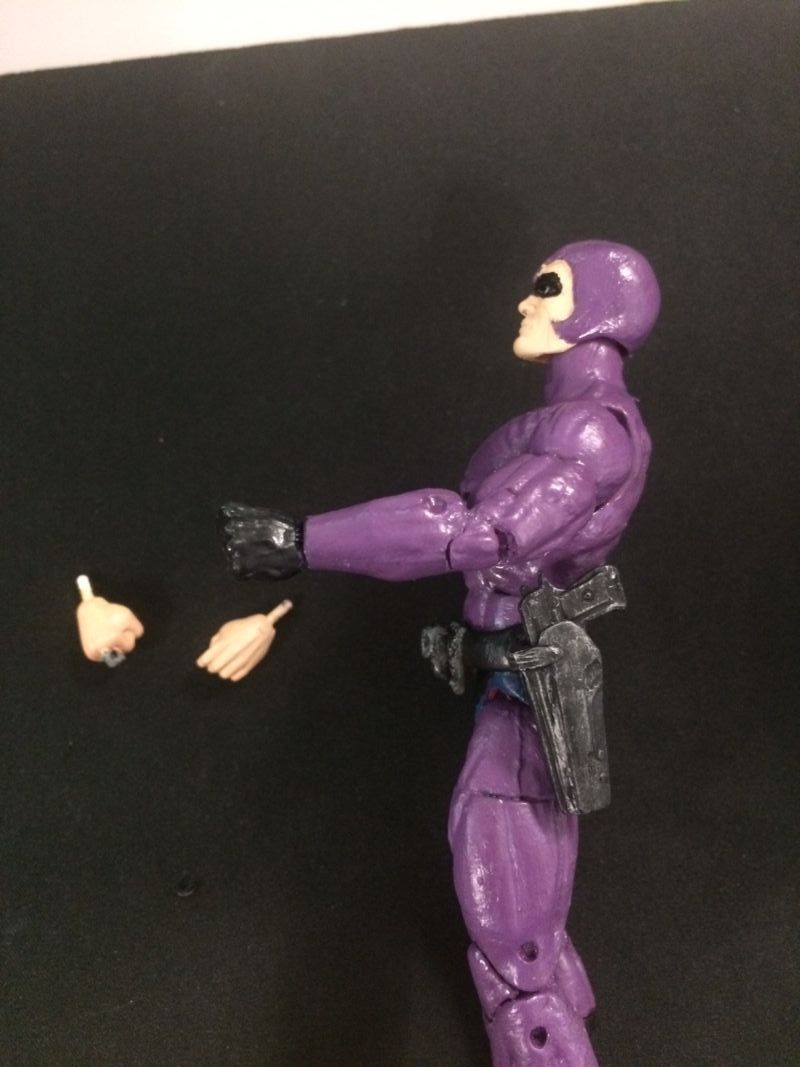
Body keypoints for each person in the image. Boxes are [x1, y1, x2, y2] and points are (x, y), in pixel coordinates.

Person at [215, 240, 660, 1066]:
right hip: (509, 668)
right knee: (517, 866)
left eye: (549, 286)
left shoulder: (592, 433)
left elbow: (479, 531)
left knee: (504, 893)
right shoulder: (568, 424)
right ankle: (566, 1004)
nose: (526, 302)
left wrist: (304, 541)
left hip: (531, 683)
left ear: (599, 306)